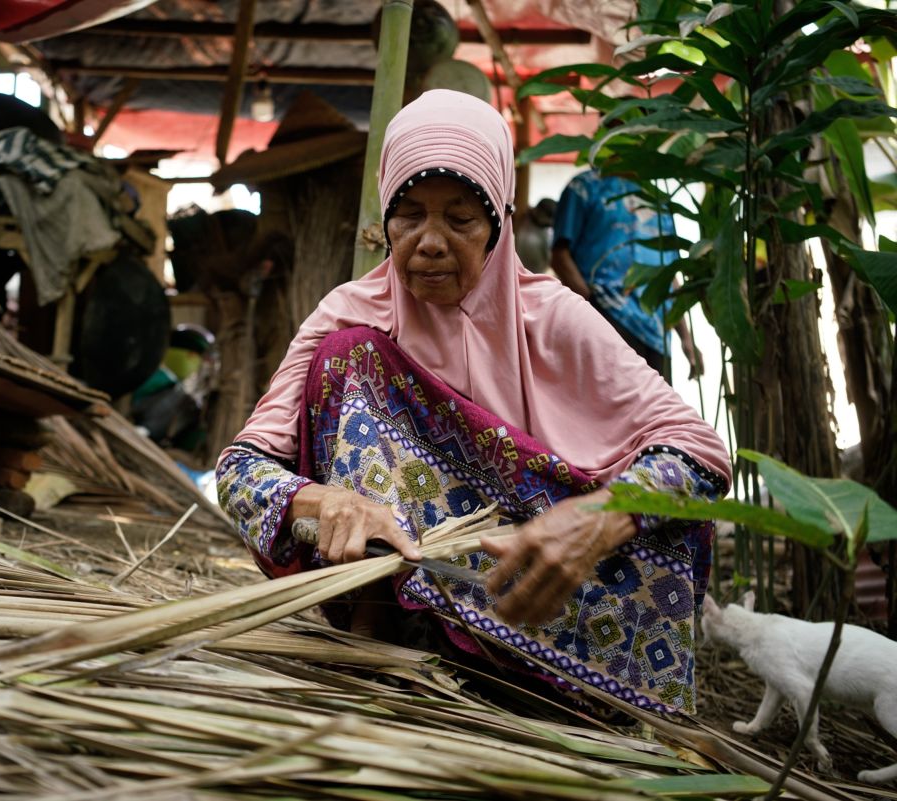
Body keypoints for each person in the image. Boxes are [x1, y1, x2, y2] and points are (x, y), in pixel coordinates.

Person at [216, 90, 730, 715]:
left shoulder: (552, 317)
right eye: (409, 215)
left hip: (549, 601)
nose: (430, 242)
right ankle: (380, 642)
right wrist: (323, 499)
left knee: (657, 509)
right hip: (416, 597)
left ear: (498, 226)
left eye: (460, 220)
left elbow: (701, 454)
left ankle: (570, 693)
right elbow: (239, 472)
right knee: (349, 357)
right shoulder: (348, 314)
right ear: (386, 220)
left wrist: (599, 519)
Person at [552, 169, 703, 384]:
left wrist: (686, 339)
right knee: (606, 409)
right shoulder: (584, 187)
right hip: (605, 318)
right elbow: (560, 255)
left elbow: (668, 274)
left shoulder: (658, 199)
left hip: (657, 331)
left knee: (654, 413)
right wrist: (591, 307)